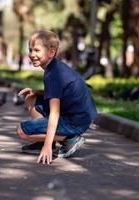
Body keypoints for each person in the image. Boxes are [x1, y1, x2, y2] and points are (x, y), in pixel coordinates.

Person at [16, 30, 98, 164]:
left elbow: (55, 112)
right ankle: (45, 140)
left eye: (37, 50)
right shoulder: (54, 67)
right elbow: (59, 93)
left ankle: (69, 139)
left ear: (52, 52)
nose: (32, 55)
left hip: (75, 120)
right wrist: (36, 92)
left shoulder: (53, 75)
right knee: (31, 98)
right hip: (79, 115)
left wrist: (47, 146)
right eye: (30, 50)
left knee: (21, 131)